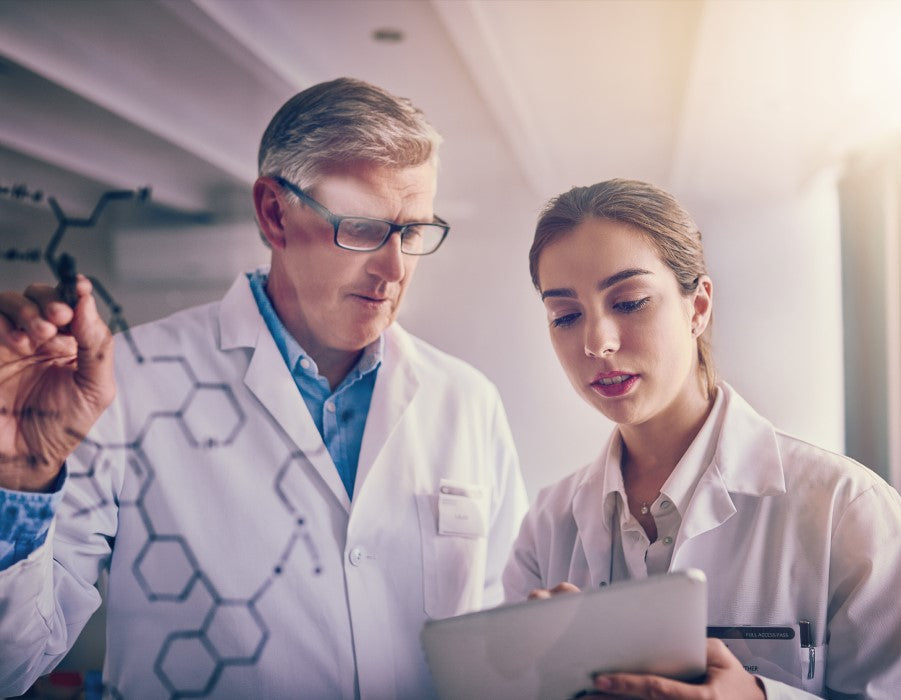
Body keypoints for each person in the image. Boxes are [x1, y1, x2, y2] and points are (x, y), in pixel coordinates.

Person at [0, 77, 528, 698]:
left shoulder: (465, 400)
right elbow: (14, 664)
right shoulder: (130, 382)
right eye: (361, 228)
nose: (394, 270)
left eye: (411, 234)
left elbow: (503, 647)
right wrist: (22, 479)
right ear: (275, 213)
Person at [502, 179, 901, 698]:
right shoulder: (546, 528)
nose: (597, 342)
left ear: (698, 306)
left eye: (630, 302)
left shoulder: (848, 509)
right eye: (566, 316)